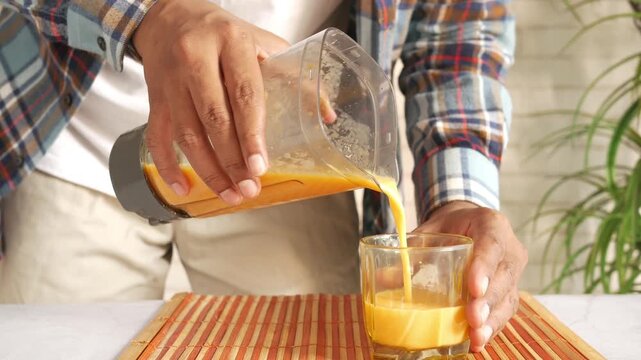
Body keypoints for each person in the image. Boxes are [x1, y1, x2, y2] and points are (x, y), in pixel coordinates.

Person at [0, 0, 526, 353]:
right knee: (59, 343)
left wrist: (460, 199)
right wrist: (153, 15)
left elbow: (455, 40)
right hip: (79, 136)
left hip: (287, 151)